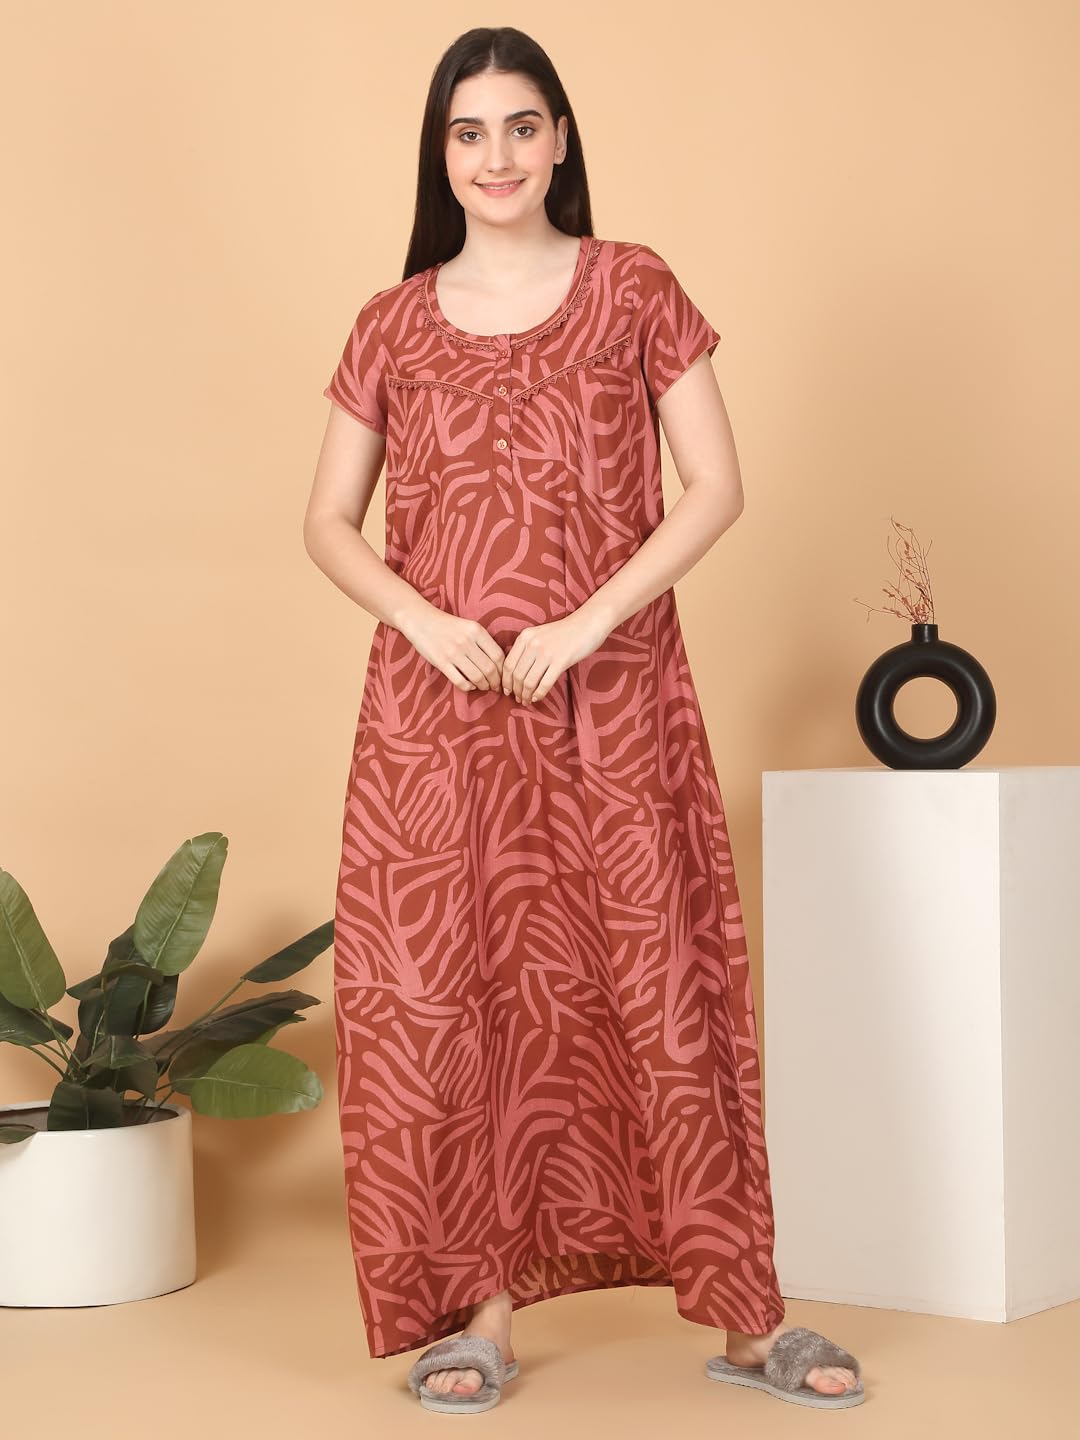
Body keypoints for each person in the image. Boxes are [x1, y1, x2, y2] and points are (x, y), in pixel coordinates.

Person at [304, 24, 864, 1415]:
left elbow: (716, 486)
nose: (496, 156)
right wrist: (423, 620)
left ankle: (748, 1318)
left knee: (660, 986)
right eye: (468, 132)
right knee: (460, 1000)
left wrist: (589, 622)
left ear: (561, 141)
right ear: (441, 154)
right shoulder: (390, 322)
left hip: (611, 702)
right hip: (440, 725)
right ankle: (481, 1313)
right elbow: (326, 521)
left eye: (521, 125)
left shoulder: (633, 287)